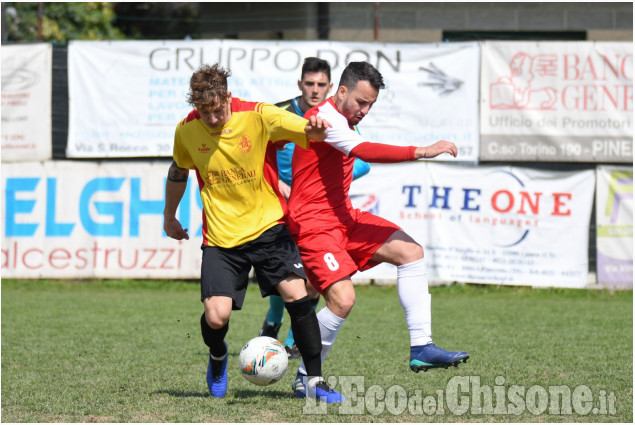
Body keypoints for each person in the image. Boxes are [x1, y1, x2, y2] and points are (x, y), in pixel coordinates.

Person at [286, 61, 469, 397]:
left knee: (410, 253)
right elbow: (364, 151)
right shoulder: (325, 120)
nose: (366, 110)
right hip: (314, 224)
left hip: (344, 217)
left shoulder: (344, 118)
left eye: (371, 104)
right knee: (343, 300)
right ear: (342, 92)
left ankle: (422, 347)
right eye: (361, 102)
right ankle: (305, 378)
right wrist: (422, 151)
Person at [163, 63, 343, 403]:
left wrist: (317, 126)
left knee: (298, 297)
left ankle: (314, 381)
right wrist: (169, 215)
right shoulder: (186, 129)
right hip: (221, 239)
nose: (212, 119)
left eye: (217, 111)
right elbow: (178, 170)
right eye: (204, 112)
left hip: (268, 230)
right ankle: (218, 356)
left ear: (228, 97)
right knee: (216, 317)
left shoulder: (260, 116)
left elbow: (310, 131)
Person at [259, 57, 370, 359]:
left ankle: (296, 340)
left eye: (322, 84)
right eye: (310, 83)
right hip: (276, 204)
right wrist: (276, 184)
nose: (315, 89)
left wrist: (324, 183)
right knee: (286, 276)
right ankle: (273, 320)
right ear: (300, 84)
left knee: (311, 278)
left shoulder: (337, 121)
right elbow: (256, 154)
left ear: (333, 87)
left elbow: (361, 163)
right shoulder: (280, 113)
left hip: (311, 209)